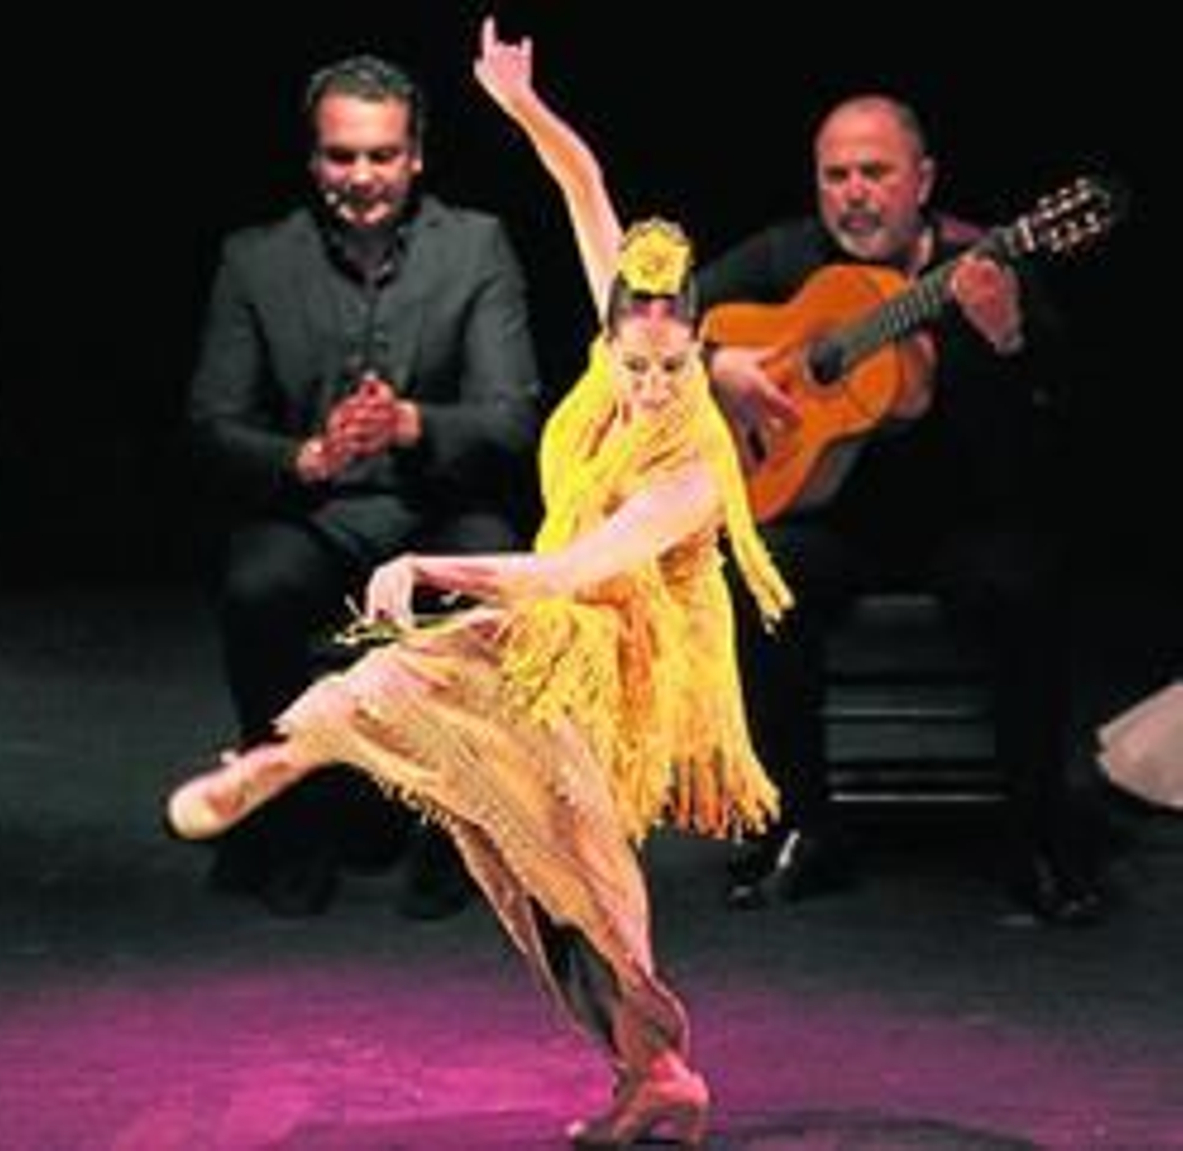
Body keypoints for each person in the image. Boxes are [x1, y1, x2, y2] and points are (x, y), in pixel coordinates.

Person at [165, 21, 790, 1146]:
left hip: (625, 658)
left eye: (670, 365)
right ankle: (282, 756)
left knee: (571, 864)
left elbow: (573, 569)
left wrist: (427, 560)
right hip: (553, 629)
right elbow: (583, 182)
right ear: (612, 334)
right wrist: (518, 103)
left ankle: (655, 1059)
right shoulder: (622, 332)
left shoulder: (693, 463)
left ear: (698, 346)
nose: (647, 384)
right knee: (509, 843)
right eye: (630, 363)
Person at [696, 94, 1104, 922]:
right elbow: (641, 318)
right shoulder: (788, 256)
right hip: (842, 522)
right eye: (836, 175)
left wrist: (1009, 341)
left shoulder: (987, 266)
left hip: (966, 518)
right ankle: (800, 825)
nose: (854, 193)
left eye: (875, 173)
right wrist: (716, 361)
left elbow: (1061, 422)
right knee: (762, 567)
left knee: (1024, 581)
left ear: (923, 181)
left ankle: (1036, 833)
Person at [185, 52, 543, 918]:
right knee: (257, 585)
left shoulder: (476, 247)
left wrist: (414, 425)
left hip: (439, 511)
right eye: (342, 157)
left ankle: (459, 831)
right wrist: (306, 456)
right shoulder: (255, 259)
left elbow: (515, 416)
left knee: (491, 586)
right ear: (314, 161)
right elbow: (210, 424)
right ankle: (295, 824)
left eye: (381, 156)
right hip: (318, 512)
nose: (362, 177)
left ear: (415, 157)